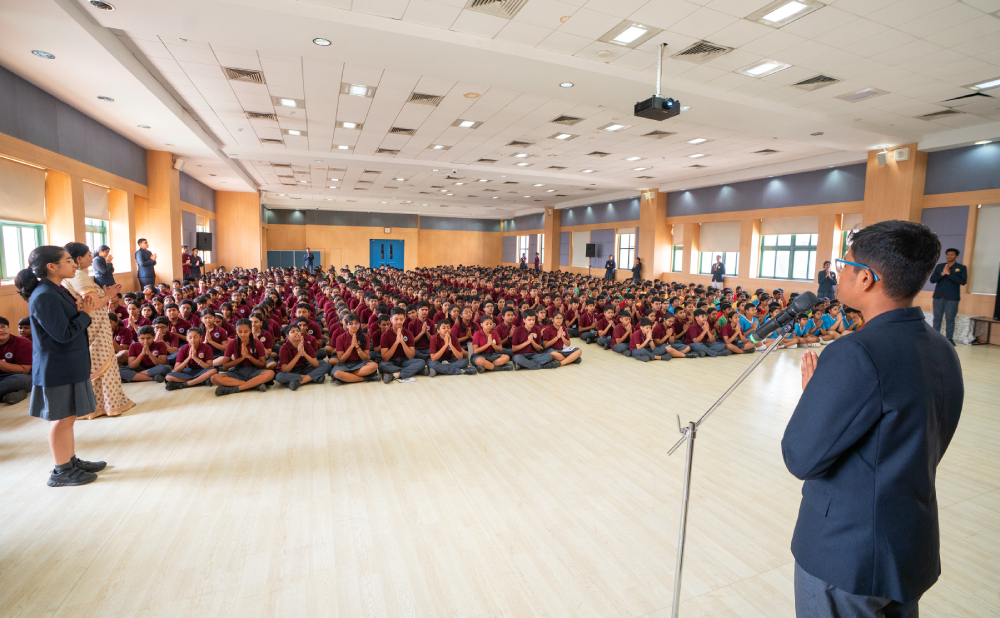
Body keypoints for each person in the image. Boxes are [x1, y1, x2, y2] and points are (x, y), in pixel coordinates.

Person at [782, 220, 963, 618]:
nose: (840, 273)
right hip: (908, 542)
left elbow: (801, 456)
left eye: (844, 265)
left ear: (865, 278)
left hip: (847, 553)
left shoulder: (855, 353)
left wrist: (814, 398)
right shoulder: (941, 347)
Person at [15, 246, 107, 487]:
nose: (74, 264)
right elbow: (63, 334)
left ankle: (70, 460)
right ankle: (61, 470)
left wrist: (82, 311)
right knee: (61, 418)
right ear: (51, 267)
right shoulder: (44, 295)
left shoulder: (56, 289)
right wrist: (86, 314)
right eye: (68, 260)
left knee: (70, 417)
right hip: (57, 366)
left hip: (69, 362)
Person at [62, 242, 136, 419]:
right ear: (78, 259)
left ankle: (101, 404)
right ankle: (103, 405)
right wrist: (108, 296)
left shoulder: (75, 275)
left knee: (98, 362)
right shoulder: (78, 275)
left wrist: (105, 295)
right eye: (88, 255)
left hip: (93, 324)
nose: (91, 258)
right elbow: (93, 303)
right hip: (93, 326)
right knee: (101, 363)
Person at [210, 319, 275, 396]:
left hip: (253, 371)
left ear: (250, 330)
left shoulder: (257, 343)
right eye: (240, 332)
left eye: (246, 331)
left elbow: (263, 365)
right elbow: (225, 366)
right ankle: (254, 385)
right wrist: (241, 358)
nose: (243, 334)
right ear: (236, 331)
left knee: (270, 373)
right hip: (237, 372)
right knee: (214, 378)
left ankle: (235, 389)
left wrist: (249, 357)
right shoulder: (231, 343)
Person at [929, 248, 967, 346]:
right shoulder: (939, 266)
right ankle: (935, 337)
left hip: (952, 297)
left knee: (950, 318)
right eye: (948, 254)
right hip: (938, 296)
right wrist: (942, 274)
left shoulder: (961, 268)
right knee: (937, 318)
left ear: (956, 256)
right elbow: (932, 280)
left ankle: (949, 338)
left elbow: (963, 282)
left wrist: (950, 274)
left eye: (952, 254)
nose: (949, 256)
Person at [274, 324, 330, 390]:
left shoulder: (306, 344)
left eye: (298, 331)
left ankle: (298, 382)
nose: (296, 333)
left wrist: (304, 353)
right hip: (291, 371)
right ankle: (311, 378)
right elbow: (285, 369)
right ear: (288, 336)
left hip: (304, 368)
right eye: (293, 332)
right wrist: (298, 355)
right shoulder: (284, 348)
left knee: (326, 365)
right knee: (279, 377)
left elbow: (316, 364)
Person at [378, 307, 426, 383]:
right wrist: (396, 342)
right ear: (391, 320)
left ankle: (396, 375)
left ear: (404, 319)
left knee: (421, 362)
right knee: (382, 366)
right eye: (396, 319)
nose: (399, 322)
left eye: (401, 319)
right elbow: (385, 358)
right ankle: (414, 371)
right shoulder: (385, 335)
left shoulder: (408, 334)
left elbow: (411, 356)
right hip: (391, 362)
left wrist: (402, 342)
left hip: (405, 360)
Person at [0, 316, 32, 404]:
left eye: (4, 327)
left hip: (22, 377)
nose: (2, 330)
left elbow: (24, 370)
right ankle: (6, 396)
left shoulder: (22, 342)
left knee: (18, 380)